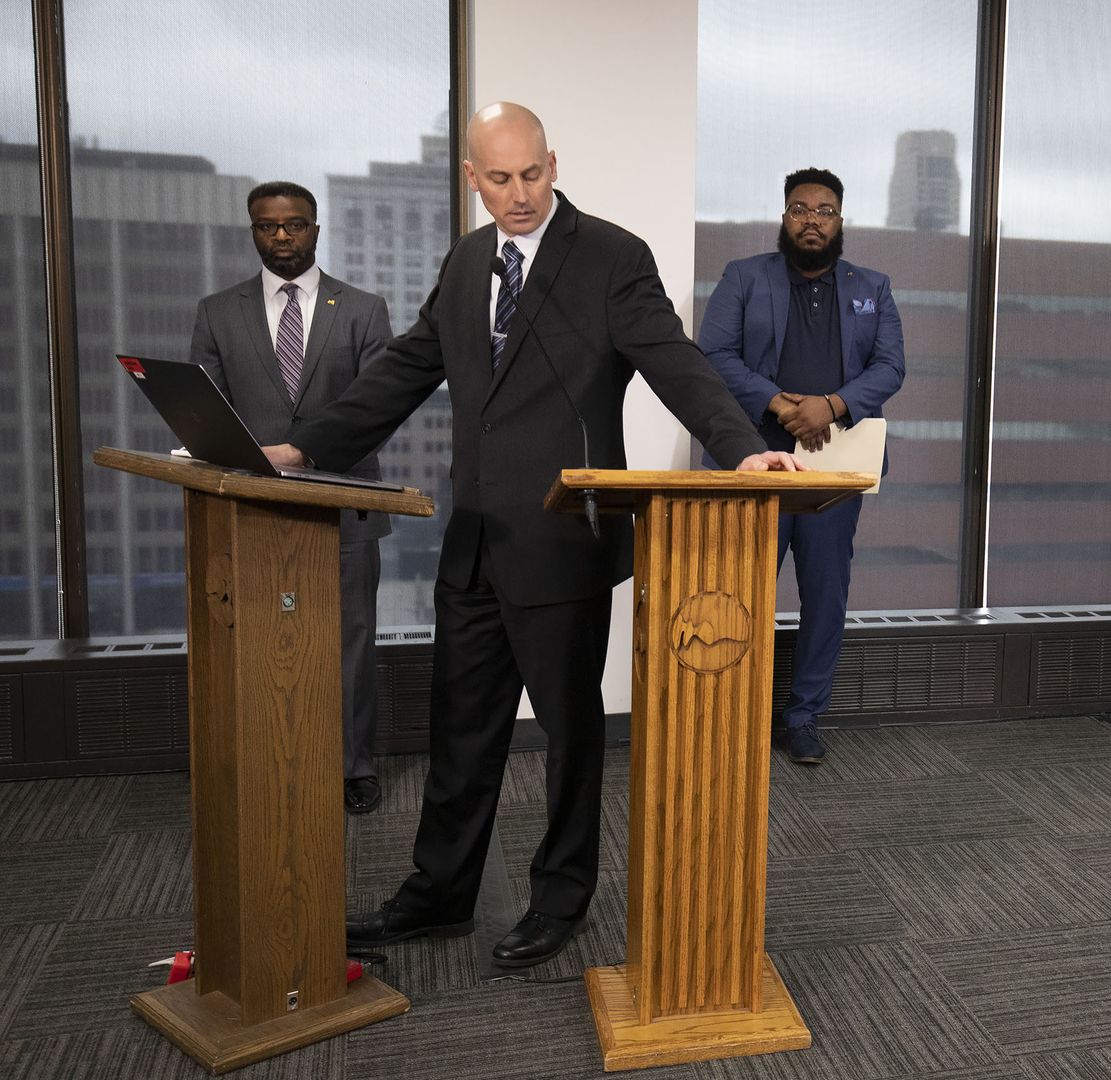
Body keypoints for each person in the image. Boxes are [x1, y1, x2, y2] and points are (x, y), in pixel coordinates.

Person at [264, 102, 797, 969]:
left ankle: (561, 898)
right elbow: (406, 366)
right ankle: (438, 895)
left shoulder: (610, 257)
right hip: (473, 538)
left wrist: (741, 451)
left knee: (569, 736)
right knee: (462, 732)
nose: (520, 195)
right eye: (500, 179)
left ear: (554, 162)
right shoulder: (470, 259)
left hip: (562, 539)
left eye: (533, 174)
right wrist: (305, 446)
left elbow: (674, 360)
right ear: (472, 179)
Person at [191, 180, 393, 814]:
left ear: (315, 228)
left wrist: (308, 452)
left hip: (344, 501)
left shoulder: (362, 308)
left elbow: (378, 408)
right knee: (256, 638)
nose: (281, 236)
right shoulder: (216, 311)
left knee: (350, 642)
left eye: (295, 225)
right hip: (249, 508)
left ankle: (353, 765)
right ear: (253, 230)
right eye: (267, 226)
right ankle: (263, 755)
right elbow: (205, 411)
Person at [697, 168, 904, 765]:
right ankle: (733, 713)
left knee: (825, 593)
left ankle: (804, 716)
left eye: (825, 210)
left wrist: (831, 406)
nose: (812, 219)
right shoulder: (744, 278)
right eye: (799, 209)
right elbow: (712, 355)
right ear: (784, 217)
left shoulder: (874, 286)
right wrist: (778, 401)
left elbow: (890, 367)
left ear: (841, 220)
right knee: (738, 594)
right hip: (754, 460)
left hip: (835, 469)